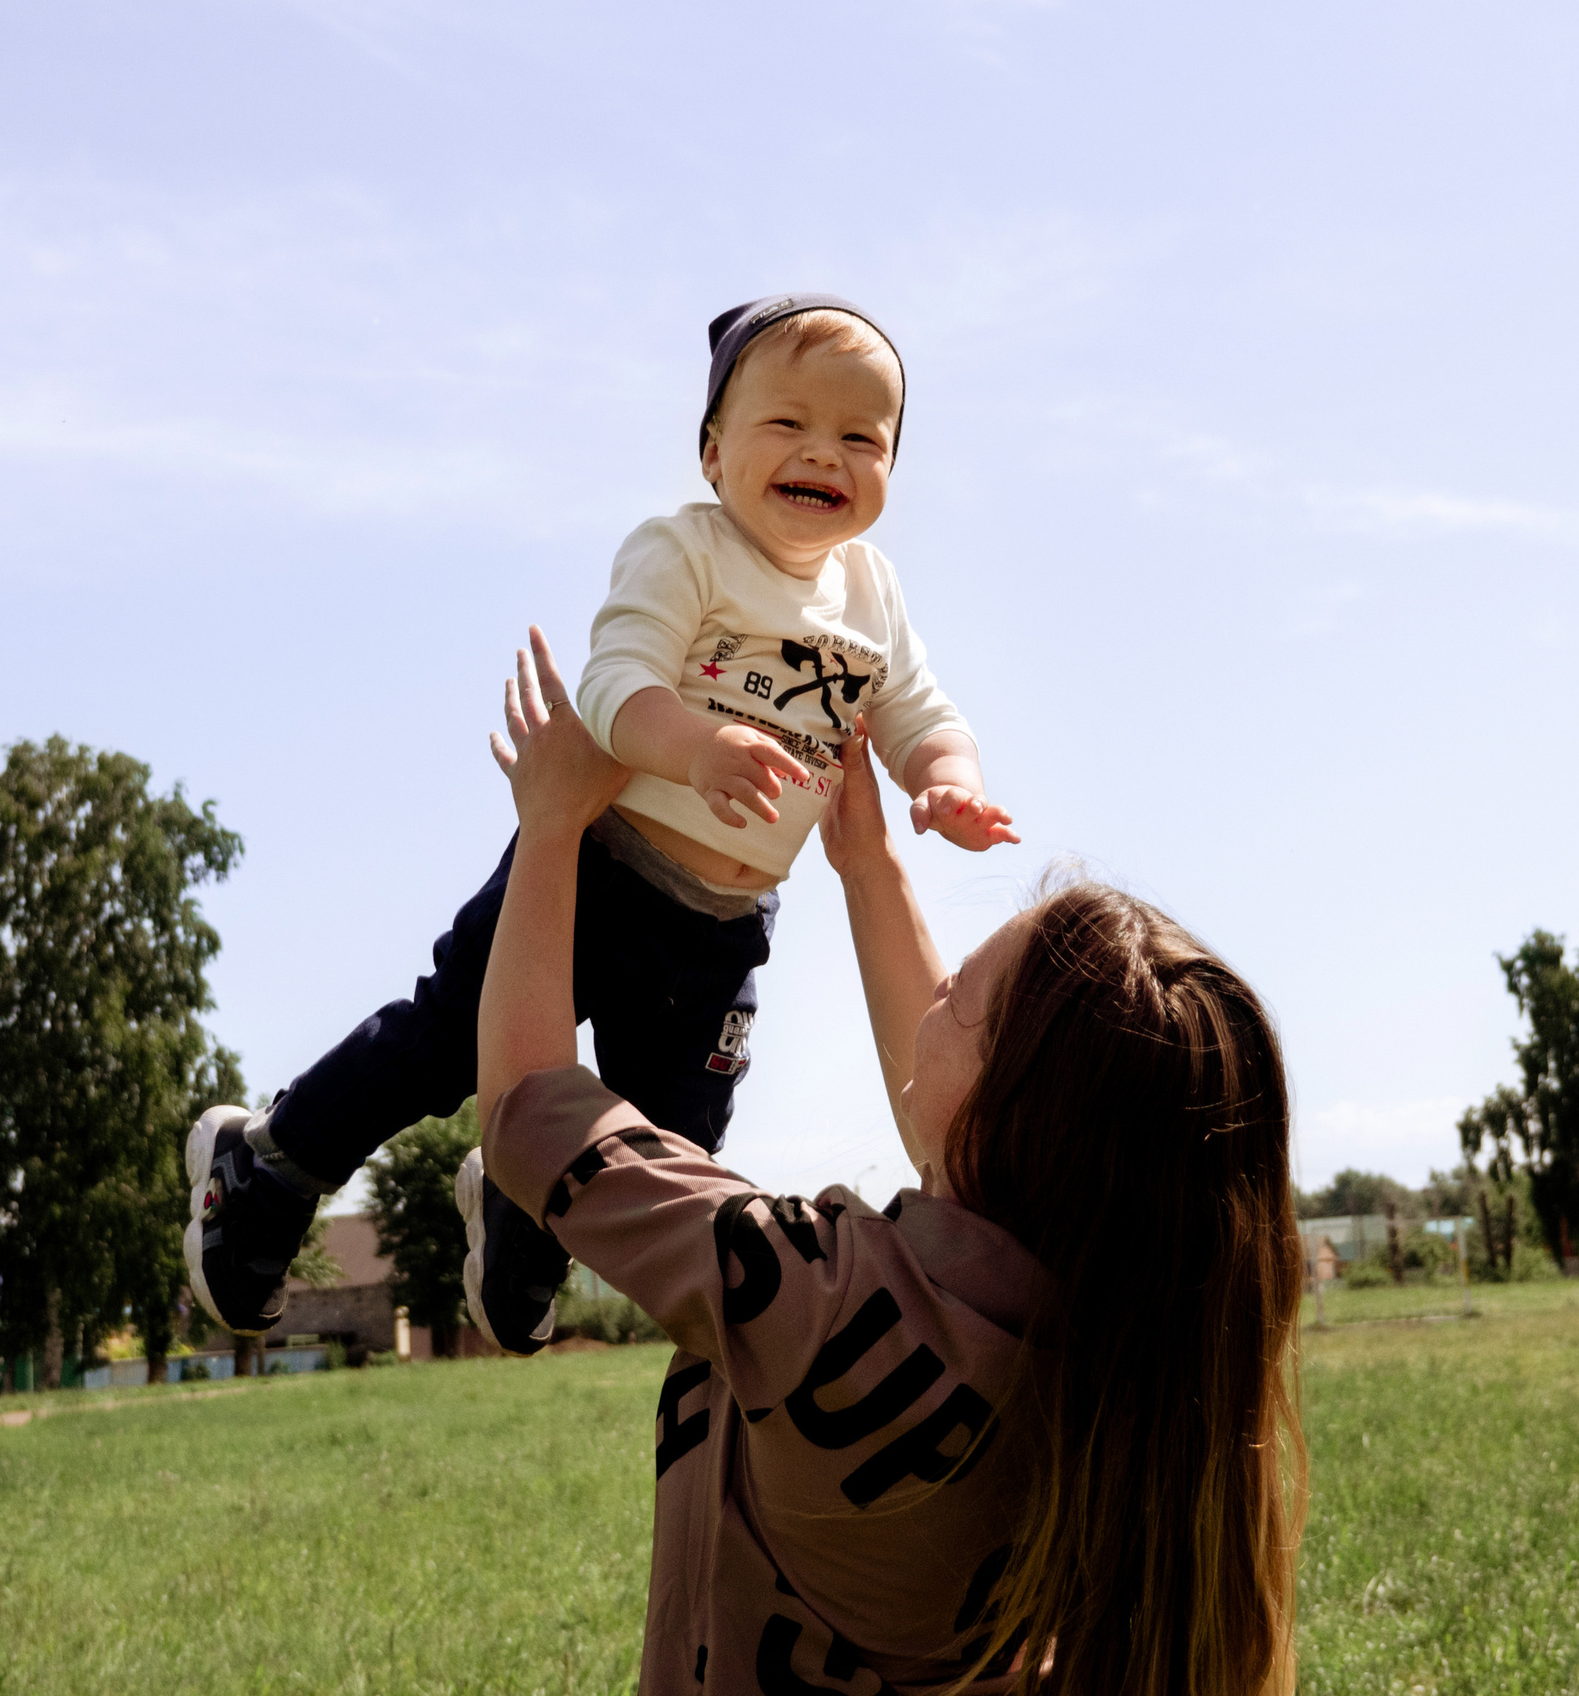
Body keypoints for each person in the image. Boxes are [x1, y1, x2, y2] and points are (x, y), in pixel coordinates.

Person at [468, 632, 1304, 1696]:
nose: (938, 995)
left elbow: (531, 1100)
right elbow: (964, 1133)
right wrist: (866, 863)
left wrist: (551, 824)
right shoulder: (1131, 1347)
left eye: (966, 987)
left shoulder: (812, 1292)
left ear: (1008, 1106)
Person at [183, 295, 1019, 1353]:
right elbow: (617, 684)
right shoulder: (687, 551)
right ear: (713, 453)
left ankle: (524, 1223)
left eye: (862, 436)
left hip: (724, 923)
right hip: (597, 865)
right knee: (445, 1043)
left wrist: (945, 781)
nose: (825, 452)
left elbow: (919, 712)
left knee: (674, 1139)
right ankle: (267, 1165)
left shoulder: (872, 595)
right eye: (788, 425)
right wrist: (697, 750)